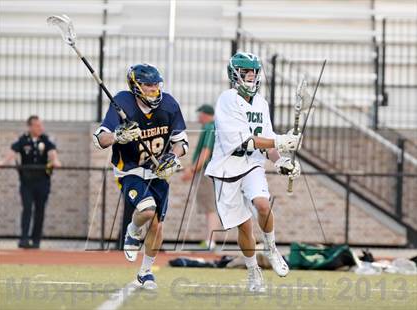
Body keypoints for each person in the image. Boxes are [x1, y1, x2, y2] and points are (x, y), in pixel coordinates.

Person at [205, 52, 302, 292]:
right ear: (235, 74)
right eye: (246, 71)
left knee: (262, 204)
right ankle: (253, 270)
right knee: (245, 227)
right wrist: (281, 141)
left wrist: (281, 161)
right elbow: (246, 142)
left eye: (254, 72)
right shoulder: (227, 100)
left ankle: (271, 248)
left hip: (252, 166)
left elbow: (267, 141)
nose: (251, 76)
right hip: (227, 168)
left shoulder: (261, 102)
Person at [93, 63, 188, 290]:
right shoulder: (123, 103)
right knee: (147, 209)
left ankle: (145, 273)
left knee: (156, 227)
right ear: (136, 86)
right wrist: (119, 135)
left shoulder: (169, 104)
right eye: (147, 85)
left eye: (156, 85)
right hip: (131, 169)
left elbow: (181, 143)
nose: (153, 90)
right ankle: (133, 230)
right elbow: (100, 139)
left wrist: (173, 158)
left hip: (157, 171)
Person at [0, 115, 61, 249]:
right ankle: (24, 239)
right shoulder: (23, 140)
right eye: (37, 126)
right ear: (30, 127)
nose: (40, 128)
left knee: (40, 210)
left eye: (41, 125)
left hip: (43, 182)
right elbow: (13, 152)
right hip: (27, 182)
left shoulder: (46, 140)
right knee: (27, 209)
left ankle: (36, 240)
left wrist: (55, 161)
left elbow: (52, 152)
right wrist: (3, 162)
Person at [181, 104, 220, 250]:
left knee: (210, 207)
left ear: (205, 114)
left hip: (207, 172)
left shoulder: (210, 127)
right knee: (209, 207)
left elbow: (205, 152)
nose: (198, 117)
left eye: (200, 114)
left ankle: (211, 241)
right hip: (209, 171)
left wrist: (192, 170)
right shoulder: (211, 127)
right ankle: (210, 240)